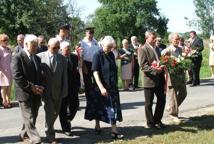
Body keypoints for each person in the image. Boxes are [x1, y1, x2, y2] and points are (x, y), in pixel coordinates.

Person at [85, 36, 123, 139]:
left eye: (111, 47)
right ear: (102, 45)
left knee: (113, 107)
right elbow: (95, 72)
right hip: (101, 87)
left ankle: (114, 131)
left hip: (112, 86)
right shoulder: (97, 55)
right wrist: (101, 87)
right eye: (108, 47)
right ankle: (97, 126)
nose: (110, 49)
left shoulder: (111, 54)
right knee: (99, 107)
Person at [11, 34, 44, 144]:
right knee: (29, 116)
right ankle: (35, 139)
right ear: (25, 44)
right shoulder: (17, 57)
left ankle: (22, 134)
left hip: (36, 92)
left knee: (33, 115)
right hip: (24, 93)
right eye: (33, 45)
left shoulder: (37, 58)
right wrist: (31, 87)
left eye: (36, 45)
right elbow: (17, 76)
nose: (36, 48)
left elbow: (40, 75)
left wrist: (40, 87)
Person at [37, 38, 68, 143]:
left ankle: (27, 131)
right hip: (46, 91)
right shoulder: (40, 57)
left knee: (56, 113)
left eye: (58, 47)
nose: (57, 49)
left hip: (58, 91)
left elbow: (65, 76)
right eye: (55, 47)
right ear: (48, 46)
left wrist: (65, 90)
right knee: (50, 113)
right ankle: (50, 135)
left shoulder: (62, 58)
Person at [138, 31, 166, 129]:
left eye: (155, 38)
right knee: (149, 102)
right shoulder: (142, 49)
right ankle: (150, 123)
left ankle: (157, 120)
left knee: (162, 100)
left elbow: (159, 60)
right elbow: (143, 66)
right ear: (147, 38)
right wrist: (155, 70)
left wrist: (163, 65)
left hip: (160, 78)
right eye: (153, 38)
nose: (155, 40)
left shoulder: (157, 48)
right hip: (149, 80)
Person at [161, 33, 187, 123]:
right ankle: (173, 114)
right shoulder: (167, 50)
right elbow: (162, 62)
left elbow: (182, 59)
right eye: (176, 39)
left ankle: (171, 108)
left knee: (183, 93)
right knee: (173, 96)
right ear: (171, 40)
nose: (177, 41)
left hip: (180, 75)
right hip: (171, 76)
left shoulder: (180, 49)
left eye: (178, 39)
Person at [59, 41, 80, 136]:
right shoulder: (58, 58)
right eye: (66, 50)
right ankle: (66, 128)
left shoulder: (74, 57)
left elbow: (76, 71)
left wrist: (79, 84)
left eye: (69, 49)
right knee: (63, 108)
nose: (68, 51)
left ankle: (68, 118)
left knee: (75, 104)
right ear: (61, 50)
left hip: (73, 86)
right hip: (62, 87)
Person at [80, 26, 100, 102]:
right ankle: (89, 100)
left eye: (92, 32)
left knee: (96, 81)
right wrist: (83, 66)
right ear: (86, 33)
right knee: (88, 83)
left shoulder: (95, 41)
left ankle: (97, 98)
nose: (91, 34)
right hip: (86, 64)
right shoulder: (82, 42)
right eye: (89, 32)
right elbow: (80, 56)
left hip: (95, 63)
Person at [0, 34, 13, 108]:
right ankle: (4, 101)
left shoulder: (8, 49)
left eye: (7, 40)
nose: (6, 41)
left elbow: (11, 59)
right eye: (4, 40)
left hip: (9, 70)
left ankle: (9, 101)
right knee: (4, 87)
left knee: (9, 87)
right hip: (2, 71)